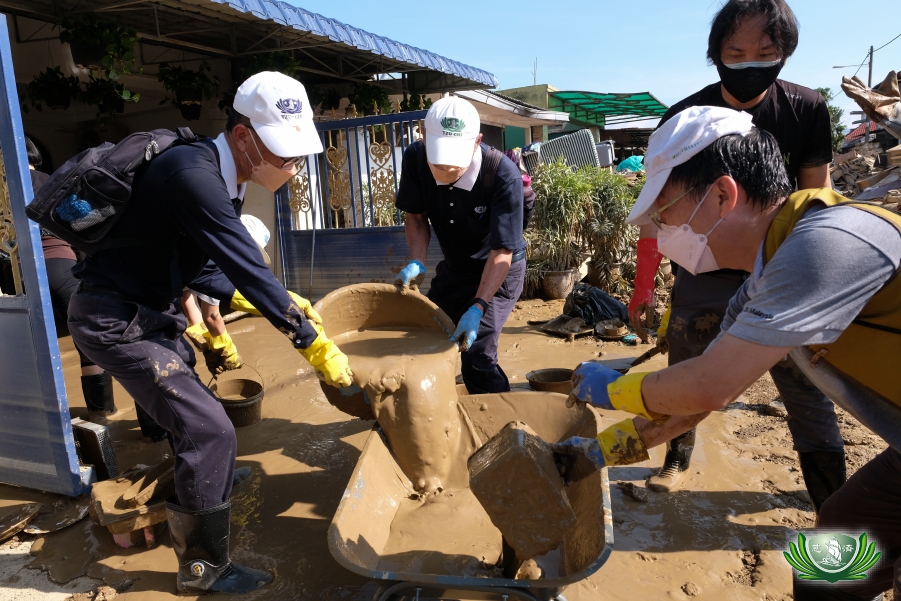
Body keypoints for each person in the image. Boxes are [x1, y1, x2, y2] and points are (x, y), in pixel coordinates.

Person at [556, 106, 900, 601]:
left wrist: (610, 388)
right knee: (834, 556)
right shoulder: (764, 278)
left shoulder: (826, 242)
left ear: (722, 194)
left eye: (663, 213)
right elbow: (700, 399)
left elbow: (707, 386)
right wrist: (597, 454)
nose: (660, 230)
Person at [67, 72, 352, 595]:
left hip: (147, 311)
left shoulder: (227, 177)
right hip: (114, 320)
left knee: (193, 411)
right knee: (210, 430)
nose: (293, 167)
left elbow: (201, 268)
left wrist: (266, 300)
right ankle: (203, 567)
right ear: (243, 137)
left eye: (297, 154)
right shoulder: (192, 174)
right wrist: (312, 340)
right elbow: (245, 265)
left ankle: (203, 485)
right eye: (284, 154)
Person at [626, 0, 841, 502]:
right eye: (735, 52)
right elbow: (660, 210)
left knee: (806, 386)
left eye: (764, 53)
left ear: (785, 54)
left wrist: (613, 391)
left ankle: (831, 498)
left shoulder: (805, 109)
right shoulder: (686, 117)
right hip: (703, 269)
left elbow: (818, 196)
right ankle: (676, 459)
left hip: (785, 265)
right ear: (715, 54)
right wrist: (643, 288)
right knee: (688, 364)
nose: (748, 65)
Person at [394, 97, 526, 394]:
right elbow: (416, 216)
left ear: (477, 141)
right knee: (427, 333)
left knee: (476, 353)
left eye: (454, 165)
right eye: (438, 162)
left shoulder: (503, 174)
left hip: (499, 269)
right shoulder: (415, 158)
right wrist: (418, 261)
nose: (445, 172)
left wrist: (478, 306)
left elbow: (502, 251)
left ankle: (499, 427)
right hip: (456, 268)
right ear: (424, 136)